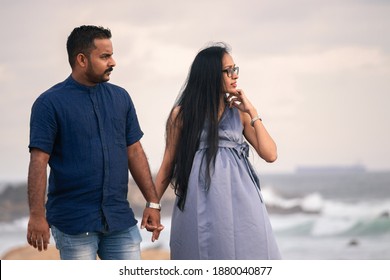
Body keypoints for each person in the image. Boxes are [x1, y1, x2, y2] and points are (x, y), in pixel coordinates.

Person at [27, 25, 163, 260]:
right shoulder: (49, 103)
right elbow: (39, 161)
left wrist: (153, 203)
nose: (113, 62)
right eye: (104, 56)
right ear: (81, 59)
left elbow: (135, 151)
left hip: (119, 219)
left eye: (111, 54)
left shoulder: (121, 98)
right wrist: (37, 215)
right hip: (73, 223)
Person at [155, 43, 281, 259]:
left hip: (243, 203)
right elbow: (168, 164)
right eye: (228, 70)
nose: (235, 75)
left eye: (235, 69)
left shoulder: (239, 113)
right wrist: (152, 205)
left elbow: (270, 154)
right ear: (210, 74)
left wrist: (252, 112)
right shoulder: (182, 115)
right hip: (198, 203)